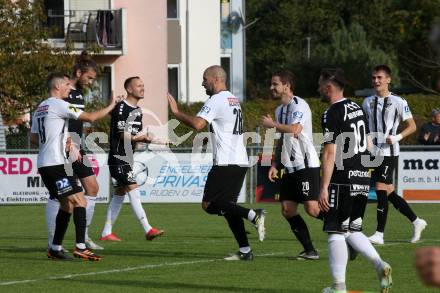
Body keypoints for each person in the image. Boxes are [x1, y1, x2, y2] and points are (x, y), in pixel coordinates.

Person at [168, 65, 265, 261]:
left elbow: (197, 124)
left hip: (226, 161)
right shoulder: (233, 99)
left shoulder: (216, 99)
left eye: (205, 79)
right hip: (238, 160)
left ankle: (254, 215)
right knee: (228, 207)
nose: (203, 83)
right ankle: (245, 250)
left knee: (209, 204)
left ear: (216, 80)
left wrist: (176, 113)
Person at [318, 69, 392, 293]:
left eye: (320, 85)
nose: (318, 89)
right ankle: (380, 265)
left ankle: (338, 286)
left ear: (329, 88)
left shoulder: (332, 112)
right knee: (352, 230)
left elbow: (330, 153)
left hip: (342, 178)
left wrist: (323, 187)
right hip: (361, 176)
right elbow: (369, 143)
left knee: (335, 231)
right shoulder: (356, 107)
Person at [30, 73, 116, 260]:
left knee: (67, 205)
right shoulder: (59, 104)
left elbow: (34, 138)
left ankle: (55, 248)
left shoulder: (40, 107)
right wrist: (111, 106)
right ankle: (80, 246)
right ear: (58, 87)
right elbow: (91, 118)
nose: (70, 89)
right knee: (80, 202)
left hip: (46, 163)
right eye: (67, 85)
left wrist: (61, 140)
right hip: (55, 164)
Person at [260, 70, 322, 260]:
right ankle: (310, 250)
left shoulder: (299, 105)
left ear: (286, 85)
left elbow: (295, 130)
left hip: (306, 165)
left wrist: (273, 125)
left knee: (312, 209)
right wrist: (275, 164)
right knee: (288, 209)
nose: (272, 87)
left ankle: (347, 232)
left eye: (275, 84)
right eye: (271, 84)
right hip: (289, 167)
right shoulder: (280, 110)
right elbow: (282, 139)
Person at [45, 51, 104, 251]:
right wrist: (68, 140)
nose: (91, 82)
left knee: (92, 188)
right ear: (78, 73)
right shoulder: (63, 93)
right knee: (60, 197)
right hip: (66, 148)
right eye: (89, 77)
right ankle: (54, 239)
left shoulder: (77, 94)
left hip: (78, 146)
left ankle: (84, 235)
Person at [362, 65, 427, 245]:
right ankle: (417, 221)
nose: (376, 81)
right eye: (374, 78)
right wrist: (368, 143)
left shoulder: (399, 102)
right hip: (374, 152)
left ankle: (379, 234)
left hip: (390, 152)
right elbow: (366, 127)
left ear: (388, 80)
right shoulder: (367, 102)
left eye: (380, 78)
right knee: (389, 192)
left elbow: (412, 126)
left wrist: (397, 137)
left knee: (381, 188)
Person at [100, 76, 164, 241]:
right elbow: (122, 135)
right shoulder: (122, 108)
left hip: (127, 159)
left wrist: (147, 138)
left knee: (120, 194)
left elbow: (133, 136)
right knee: (133, 189)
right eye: (139, 86)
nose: (143, 88)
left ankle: (106, 232)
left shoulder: (138, 111)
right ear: (129, 89)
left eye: (143, 85)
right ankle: (148, 229)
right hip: (118, 158)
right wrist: (141, 139)